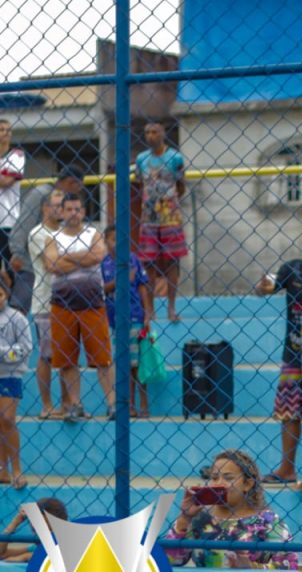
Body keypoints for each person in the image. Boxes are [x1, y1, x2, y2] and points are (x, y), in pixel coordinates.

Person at [255, 234, 302, 486]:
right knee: (289, 411)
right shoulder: (293, 269)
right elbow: (269, 287)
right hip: (294, 353)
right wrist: (263, 286)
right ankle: (287, 468)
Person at [165, 449, 299, 570]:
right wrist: (184, 518)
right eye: (214, 478)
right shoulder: (200, 518)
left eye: (228, 478)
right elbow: (170, 561)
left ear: (248, 484)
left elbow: (290, 565)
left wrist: (252, 567)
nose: (219, 483)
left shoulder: (267, 521)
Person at [44, 193, 114, 422]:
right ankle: (74, 403)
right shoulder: (51, 238)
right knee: (66, 359)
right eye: (69, 209)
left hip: (92, 303)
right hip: (62, 306)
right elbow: (52, 265)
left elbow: (98, 255)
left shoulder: (93, 234)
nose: (73, 213)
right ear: (61, 212)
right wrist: (82, 257)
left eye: (77, 209)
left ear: (83, 212)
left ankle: (112, 403)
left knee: (102, 357)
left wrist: (66, 258)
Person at [10, 166, 86, 316]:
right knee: (20, 310)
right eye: (78, 187)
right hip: (29, 261)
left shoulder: (63, 201)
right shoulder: (42, 193)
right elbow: (23, 225)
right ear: (72, 183)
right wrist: (17, 253)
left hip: (53, 262)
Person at [136, 121, 187, 322]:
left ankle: (171, 308)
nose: (151, 136)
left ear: (163, 133)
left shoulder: (174, 158)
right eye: (147, 132)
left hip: (170, 217)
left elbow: (181, 184)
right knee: (148, 263)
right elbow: (142, 184)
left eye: (155, 132)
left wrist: (170, 204)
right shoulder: (141, 159)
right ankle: (150, 310)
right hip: (149, 218)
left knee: (172, 263)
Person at [101, 226, 154, 417]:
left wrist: (147, 312)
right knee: (123, 364)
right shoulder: (104, 264)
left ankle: (144, 404)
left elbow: (141, 286)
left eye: (120, 239)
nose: (117, 243)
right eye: (113, 239)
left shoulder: (133, 260)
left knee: (138, 362)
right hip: (115, 320)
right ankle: (129, 405)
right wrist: (119, 280)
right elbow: (102, 289)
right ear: (106, 241)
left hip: (134, 317)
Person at [27, 190, 66, 418]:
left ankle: (68, 403)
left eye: (62, 205)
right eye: (56, 205)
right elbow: (52, 263)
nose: (59, 209)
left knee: (66, 354)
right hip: (45, 301)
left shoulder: (64, 233)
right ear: (44, 208)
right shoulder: (37, 234)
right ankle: (47, 404)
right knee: (47, 354)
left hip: (66, 299)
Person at [0, 279, 31, 490]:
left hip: (10, 374)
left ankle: (17, 469)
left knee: (7, 419)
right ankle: (2, 469)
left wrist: (3, 355)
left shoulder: (16, 318)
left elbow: (26, 347)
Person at [0, 498, 67, 562]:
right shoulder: (36, 546)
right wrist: (16, 522)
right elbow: (2, 554)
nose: (34, 526)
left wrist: (26, 557)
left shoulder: (63, 543)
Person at [0, 120, 25, 285]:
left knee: (11, 266)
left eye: (8, 130)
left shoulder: (16, 155)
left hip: (8, 221)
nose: (6, 133)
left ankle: (12, 305)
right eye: (1, 129)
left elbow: (7, 182)